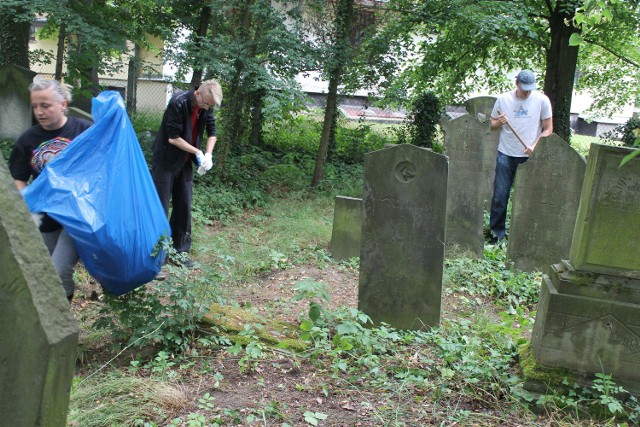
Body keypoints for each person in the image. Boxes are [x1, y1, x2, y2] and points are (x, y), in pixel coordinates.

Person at [8, 77, 92, 302]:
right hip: (46, 215)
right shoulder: (28, 139)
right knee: (46, 271)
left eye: (45, 105)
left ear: (62, 104)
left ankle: (62, 325)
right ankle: (57, 320)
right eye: (35, 106)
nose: (39, 111)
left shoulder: (84, 130)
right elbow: (18, 178)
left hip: (77, 216)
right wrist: (23, 203)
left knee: (58, 269)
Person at [151, 80, 223, 269]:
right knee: (161, 207)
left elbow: (212, 132)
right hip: (165, 160)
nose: (207, 108)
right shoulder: (178, 102)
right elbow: (173, 137)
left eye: (210, 106)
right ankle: (157, 255)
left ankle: (180, 253)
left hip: (184, 163)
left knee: (184, 205)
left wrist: (208, 153)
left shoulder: (206, 106)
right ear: (198, 93)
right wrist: (197, 152)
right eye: (206, 104)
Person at [487, 69, 553, 244]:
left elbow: (548, 129)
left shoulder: (541, 100)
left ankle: (527, 236)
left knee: (530, 197)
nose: (528, 92)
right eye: (524, 88)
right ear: (516, 83)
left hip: (529, 155)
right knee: (500, 196)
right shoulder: (503, 100)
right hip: (506, 153)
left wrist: (534, 145)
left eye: (530, 88)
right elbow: (492, 125)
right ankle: (497, 235)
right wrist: (498, 123)